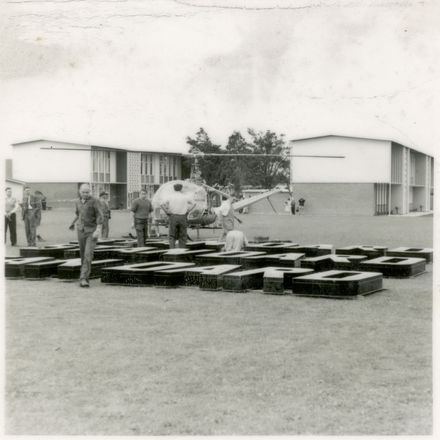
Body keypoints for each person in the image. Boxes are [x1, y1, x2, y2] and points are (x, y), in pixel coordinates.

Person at [69, 183, 103, 288]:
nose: (85, 194)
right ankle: (84, 275)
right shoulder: (77, 201)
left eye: (87, 192)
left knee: (88, 254)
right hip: (81, 230)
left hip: (91, 231)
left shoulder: (95, 201)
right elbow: (77, 213)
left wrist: (98, 229)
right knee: (83, 254)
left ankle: (83, 278)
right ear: (80, 192)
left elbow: (100, 215)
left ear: (90, 192)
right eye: (83, 192)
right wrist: (72, 223)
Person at [160, 183, 195, 249]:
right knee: (183, 235)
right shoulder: (185, 196)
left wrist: (166, 211)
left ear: (174, 189)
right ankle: (182, 249)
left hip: (173, 216)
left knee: (172, 235)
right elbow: (194, 203)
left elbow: (161, 204)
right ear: (181, 189)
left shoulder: (170, 196)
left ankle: (172, 249)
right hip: (183, 216)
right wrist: (188, 210)